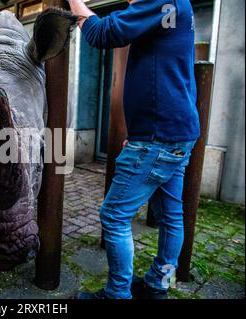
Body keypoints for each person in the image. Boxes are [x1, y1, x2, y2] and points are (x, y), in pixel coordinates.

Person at [66, 0, 200, 299]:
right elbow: (160, 68)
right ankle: (158, 285)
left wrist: (74, 2)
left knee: (114, 216)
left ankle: (116, 294)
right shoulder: (180, 5)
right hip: (177, 132)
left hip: (158, 137)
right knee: (171, 215)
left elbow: (102, 33)